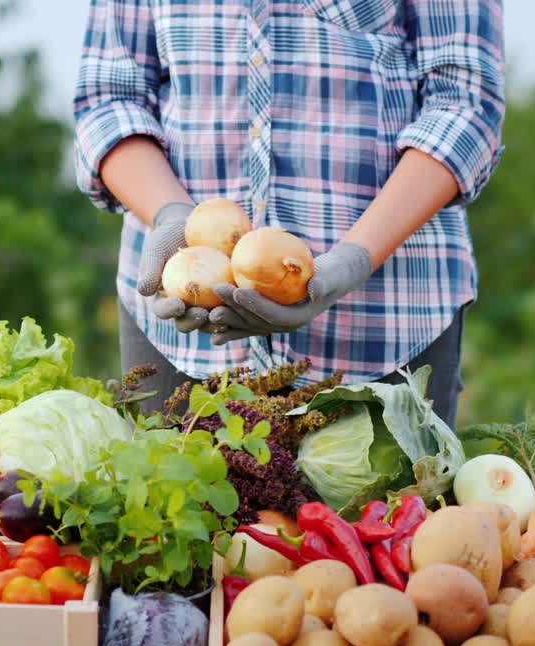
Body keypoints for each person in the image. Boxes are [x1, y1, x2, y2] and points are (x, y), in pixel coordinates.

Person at [73, 0, 505, 427]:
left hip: (384, 326)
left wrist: (354, 259)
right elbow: (110, 98)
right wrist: (170, 215)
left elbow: (464, 105)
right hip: (180, 346)